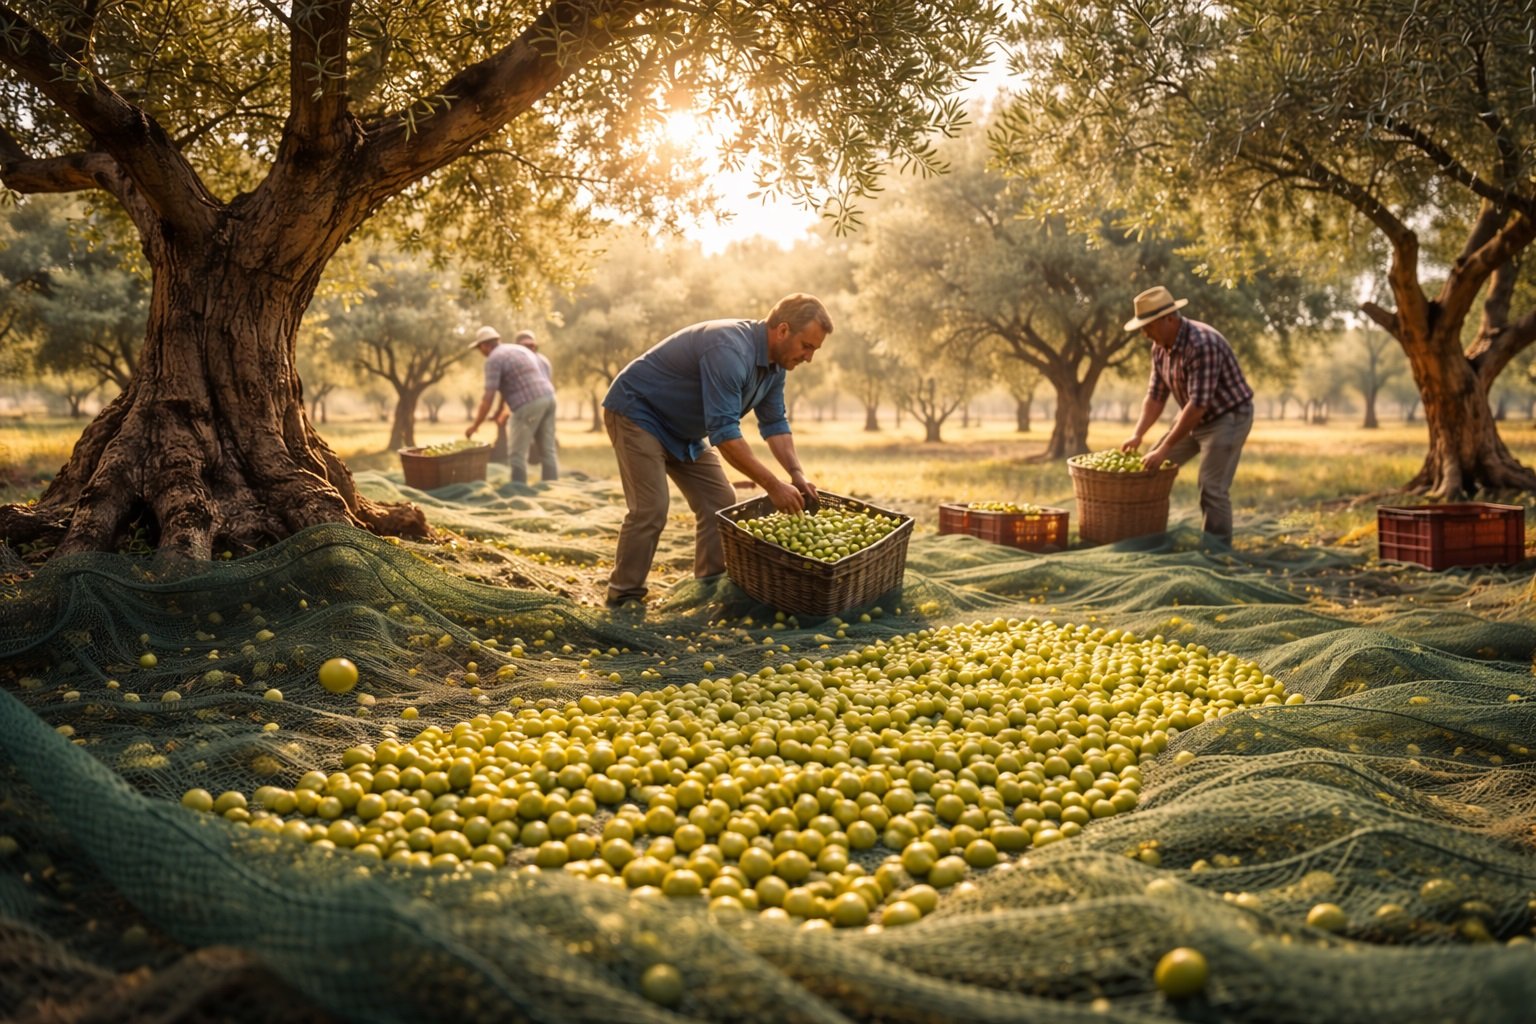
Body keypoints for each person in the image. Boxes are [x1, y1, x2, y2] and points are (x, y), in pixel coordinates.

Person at [602, 293, 831, 608]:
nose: (809, 358)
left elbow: (775, 423)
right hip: (638, 412)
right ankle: (623, 597)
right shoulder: (729, 349)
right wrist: (773, 485)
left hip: (683, 429)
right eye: (807, 346)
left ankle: (707, 591)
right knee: (651, 508)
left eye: (814, 350)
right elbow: (725, 436)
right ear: (782, 330)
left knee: (719, 500)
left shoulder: (776, 368)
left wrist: (795, 474)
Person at [1120, 285, 1254, 543]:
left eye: (1148, 326)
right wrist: (1138, 434)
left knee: (1211, 487)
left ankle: (1217, 553)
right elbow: (1155, 396)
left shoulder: (1201, 343)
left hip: (1227, 417)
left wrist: (1166, 447)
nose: (1145, 334)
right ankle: (1146, 535)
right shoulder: (1160, 347)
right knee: (1150, 467)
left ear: (1169, 319)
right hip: (1194, 417)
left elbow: (1198, 404)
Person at [465, 325, 558, 485]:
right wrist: (501, 411)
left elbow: (489, 396)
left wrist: (475, 425)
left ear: (485, 345)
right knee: (547, 450)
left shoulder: (493, 359)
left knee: (517, 454)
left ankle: (518, 490)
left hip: (527, 403)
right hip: (549, 398)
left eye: (480, 348)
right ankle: (552, 487)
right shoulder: (516, 350)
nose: (481, 352)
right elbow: (508, 387)